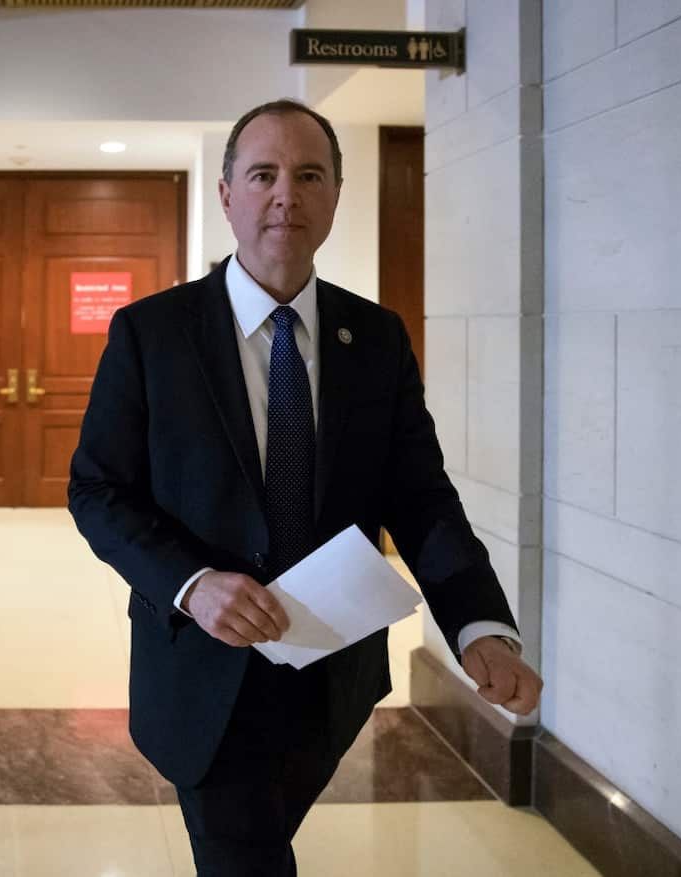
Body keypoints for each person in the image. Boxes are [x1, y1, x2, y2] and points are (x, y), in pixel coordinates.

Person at [68, 98, 542, 876]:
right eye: (263, 174)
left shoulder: (377, 337)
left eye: (309, 174)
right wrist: (192, 583)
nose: (285, 194)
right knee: (247, 854)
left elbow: (419, 495)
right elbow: (96, 489)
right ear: (227, 195)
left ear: (334, 195)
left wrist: (478, 621)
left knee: (259, 841)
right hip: (202, 668)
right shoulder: (152, 333)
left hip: (331, 674)